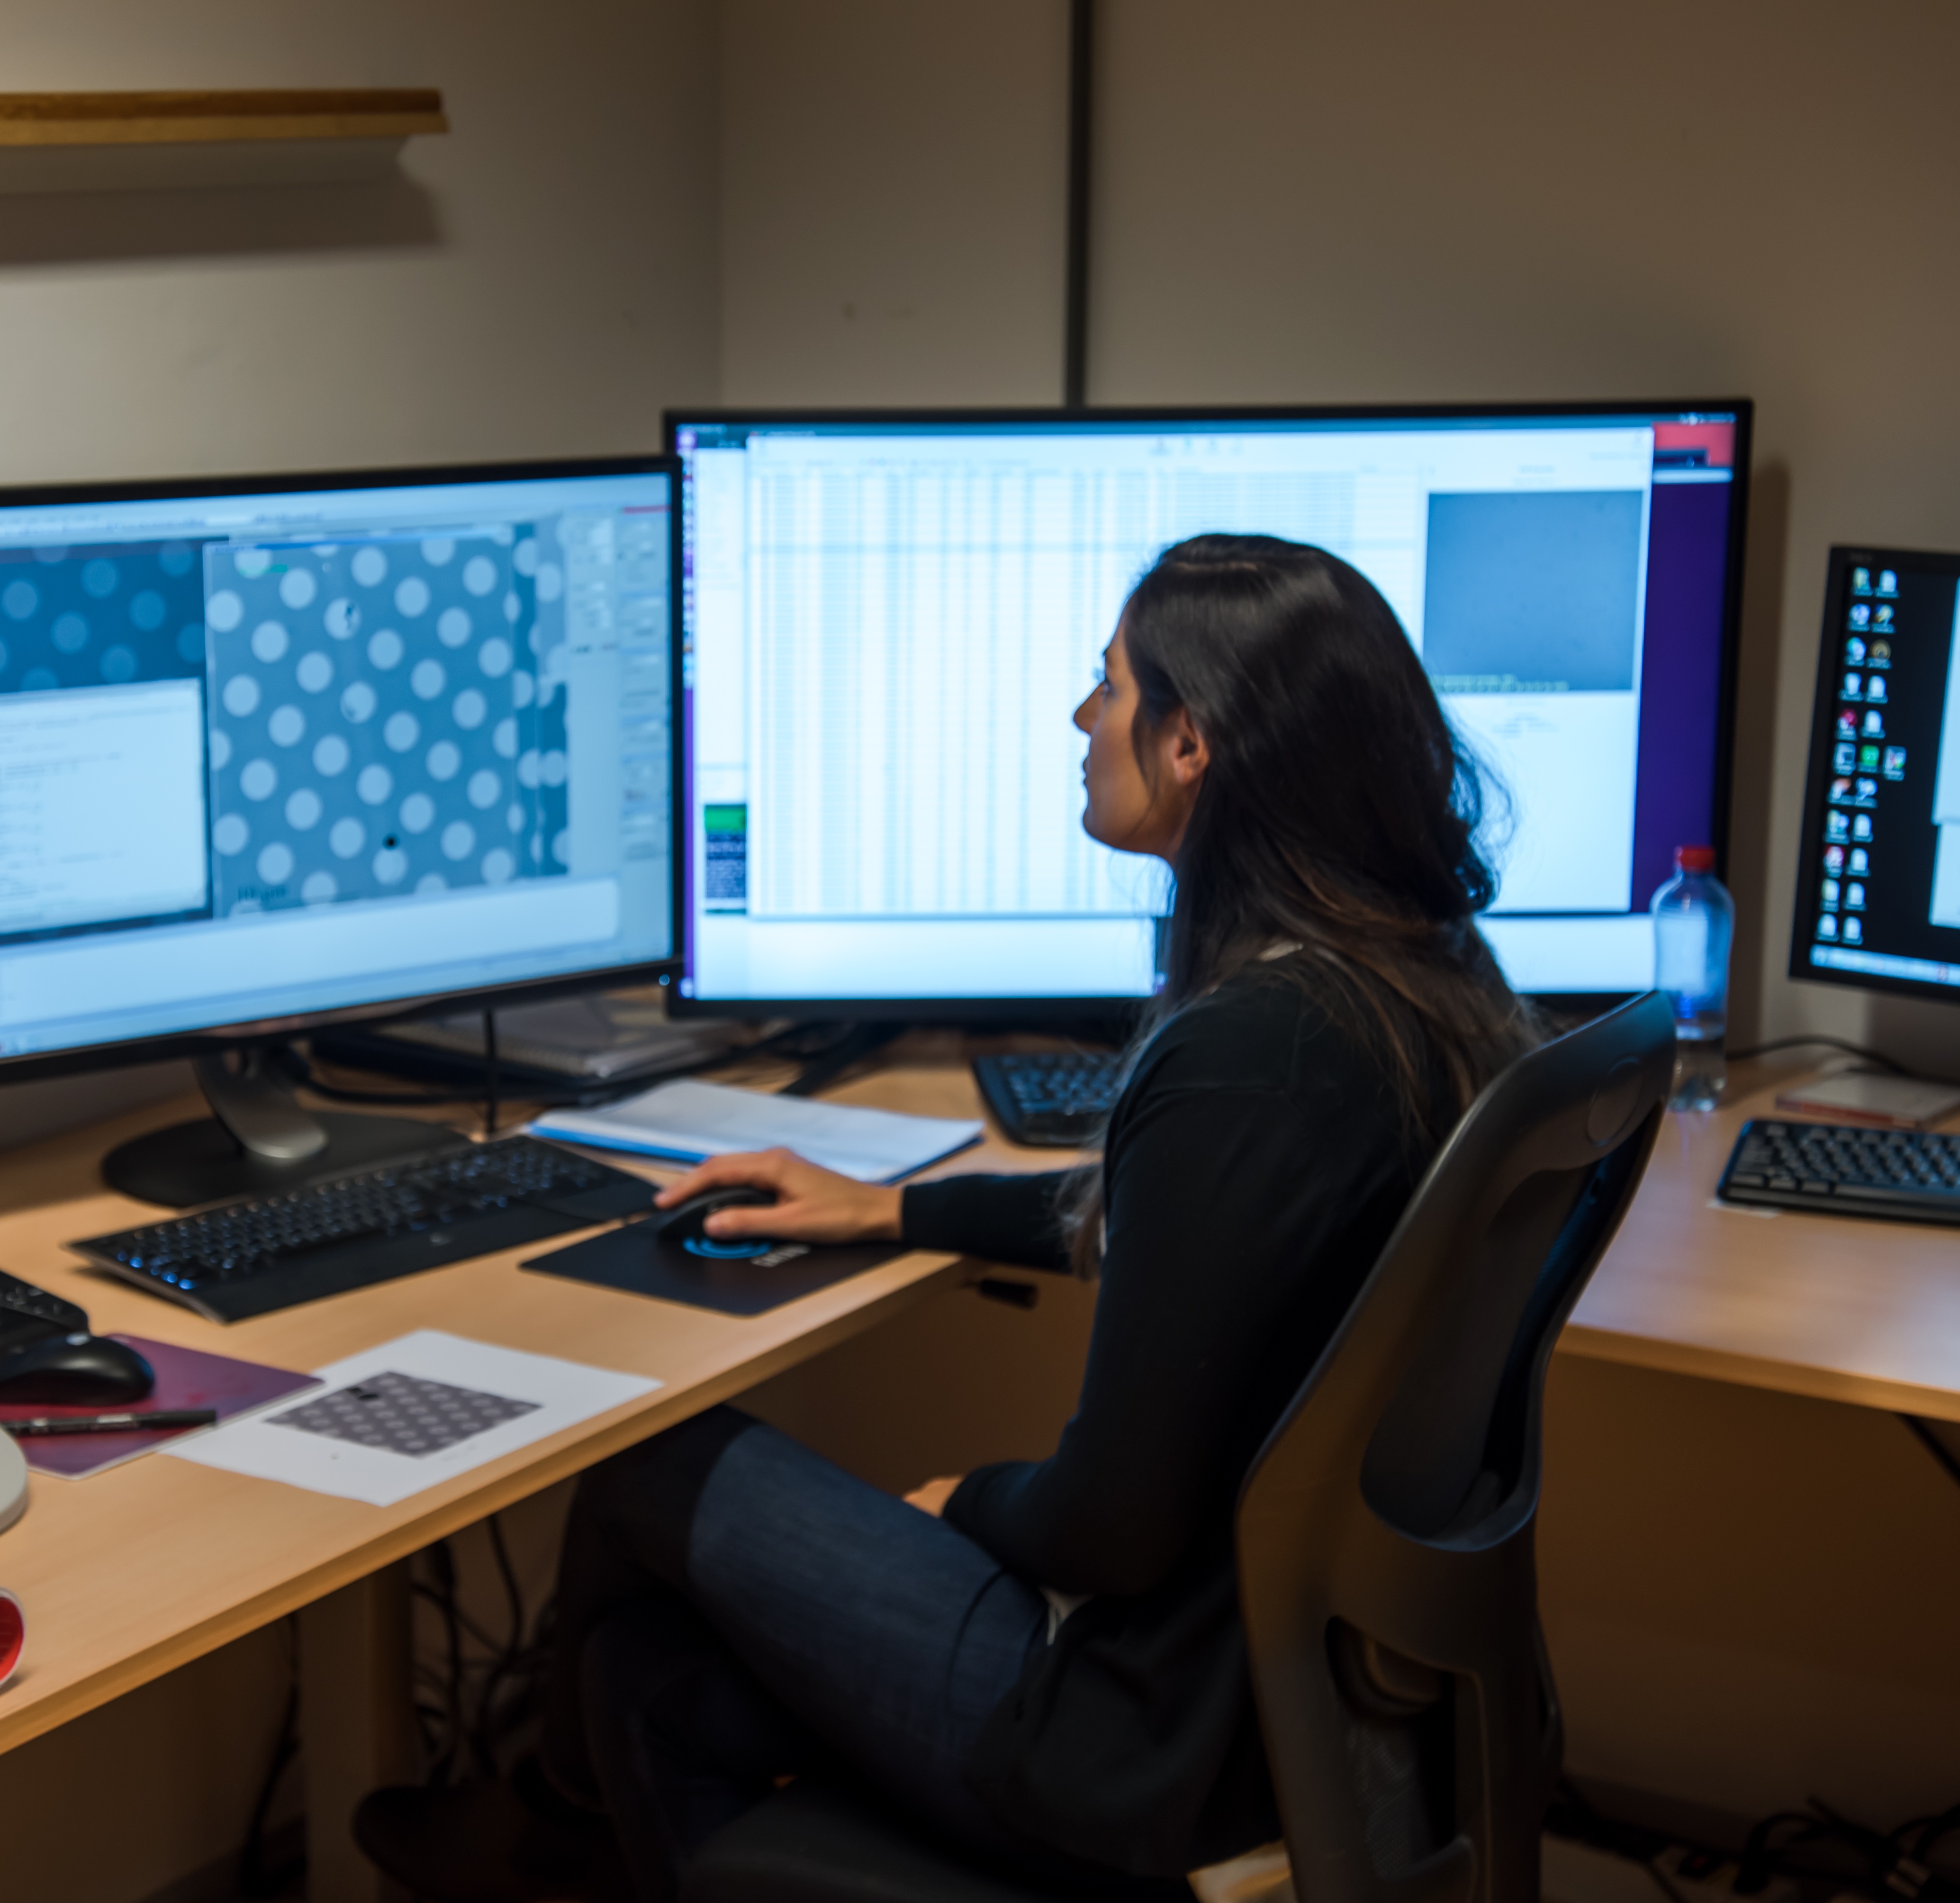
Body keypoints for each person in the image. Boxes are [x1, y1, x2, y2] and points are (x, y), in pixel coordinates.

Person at [355, 535, 1539, 1903]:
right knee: (641, 1678)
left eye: (1108, 689)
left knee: (645, 1469)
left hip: (1149, 1741)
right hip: (1318, 1710)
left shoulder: (1248, 1054)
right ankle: (552, 1846)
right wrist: (903, 1211)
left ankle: (530, 1848)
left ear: (1190, 745)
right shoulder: (1422, 989)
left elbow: (1107, 1529)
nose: (1083, 719)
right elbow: (1205, 1236)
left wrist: (966, 1506)